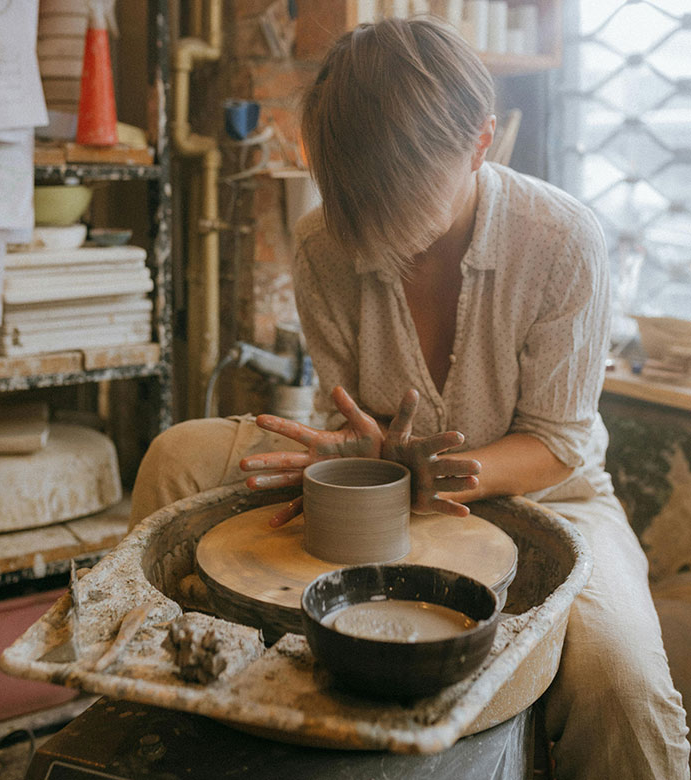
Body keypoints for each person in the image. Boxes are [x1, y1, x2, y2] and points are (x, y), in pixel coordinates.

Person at [129, 17, 690, 779]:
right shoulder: (327, 240)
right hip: (382, 476)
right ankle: (143, 717)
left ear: (481, 143)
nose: (378, 237)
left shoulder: (563, 242)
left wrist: (436, 473)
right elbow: (349, 417)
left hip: (551, 493)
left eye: (404, 208)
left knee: (624, 686)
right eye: (358, 206)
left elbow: (556, 443)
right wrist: (357, 456)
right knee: (177, 456)